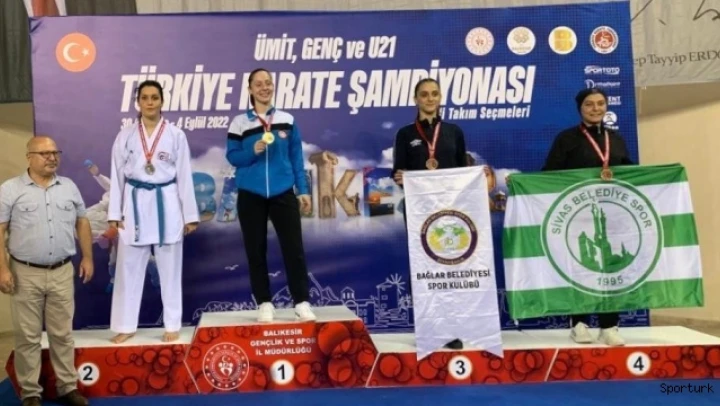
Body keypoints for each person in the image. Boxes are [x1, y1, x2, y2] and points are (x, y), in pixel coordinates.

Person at [0, 136, 94, 406]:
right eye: (45, 153)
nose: (52, 158)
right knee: (28, 336)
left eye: (55, 152)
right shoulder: (10, 189)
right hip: (24, 273)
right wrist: (2, 269)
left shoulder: (69, 187)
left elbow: (82, 221)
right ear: (29, 156)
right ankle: (30, 392)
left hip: (62, 272)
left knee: (62, 334)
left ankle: (68, 387)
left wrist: (88, 257)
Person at [107, 80, 199, 344]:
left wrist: (190, 215)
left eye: (154, 97)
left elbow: (184, 175)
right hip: (134, 202)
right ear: (138, 102)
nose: (150, 102)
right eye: (145, 98)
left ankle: (172, 323)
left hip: (166, 201)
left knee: (170, 267)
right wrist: (115, 213)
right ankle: (125, 325)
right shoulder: (125, 135)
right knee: (128, 268)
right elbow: (116, 174)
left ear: (162, 101)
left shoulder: (175, 135)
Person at [541, 88, 633, 347]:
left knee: (610, 270)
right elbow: (549, 174)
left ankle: (609, 326)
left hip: (610, 217)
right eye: (589, 104)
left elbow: (629, 173)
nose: (596, 109)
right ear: (580, 108)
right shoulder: (566, 139)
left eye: (600, 103)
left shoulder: (616, 139)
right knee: (580, 268)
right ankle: (579, 324)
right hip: (577, 218)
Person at [225, 68, 315, 323]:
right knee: (255, 250)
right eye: (259, 84)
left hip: (282, 191)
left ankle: (301, 302)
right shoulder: (239, 123)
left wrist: (303, 190)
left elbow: (296, 158)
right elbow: (232, 156)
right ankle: (264, 302)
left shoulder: (287, 119)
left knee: (294, 249)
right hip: (250, 193)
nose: (264, 87)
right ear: (250, 89)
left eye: (268, 83)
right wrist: (251, 151)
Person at [391, 78, 468, 350]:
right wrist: (400, 177)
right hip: (419, 211)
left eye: (434, 94)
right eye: (424, 94)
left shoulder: (454, 132)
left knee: (448, 267)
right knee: (423, 268)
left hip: (449, 211)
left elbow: (462, 171)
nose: (430, 98)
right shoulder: (405, 134)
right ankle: (427, 328)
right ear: (416, 99)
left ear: (440, 97)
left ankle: (450, 328)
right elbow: (397, 171)